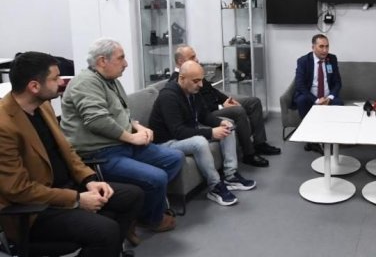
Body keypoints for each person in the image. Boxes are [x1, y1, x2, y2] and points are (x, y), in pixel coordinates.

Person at [0, 52, 144, 257]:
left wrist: (89, 180)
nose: (61, 82)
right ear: (34, 86)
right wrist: (76, 200)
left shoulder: (43, 106)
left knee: (133, 196)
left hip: (68, 188)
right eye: (55, 78)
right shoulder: (4, 125)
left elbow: (67, 150)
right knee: (106, 231)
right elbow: (19, 190)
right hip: (36, 210)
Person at [60, 38, 184, 234]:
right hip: (100, 153)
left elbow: (121, 114)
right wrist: (132, 137)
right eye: (121, 58)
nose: (125, 63)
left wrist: (137, 126)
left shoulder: (111, 81)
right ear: (102, 61)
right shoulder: (85, 83)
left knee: (174, 158)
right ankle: (150, 219)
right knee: (157, 177)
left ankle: (138, 209)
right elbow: (97, 121)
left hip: (121, 145)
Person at [150, 60, 256, 207]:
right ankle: (215, 186)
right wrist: (211, 132)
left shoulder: (192, 91)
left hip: (183, 136)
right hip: (166, 142)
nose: (200, 85)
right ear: (182, 78)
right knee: (200, 142)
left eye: (201, 80)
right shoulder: (168, 97)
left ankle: (231, 176)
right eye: (196, 81)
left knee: (228, 127)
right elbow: (178, 131)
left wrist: (219, 123)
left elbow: (203, 115)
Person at [171, 45, 278, 168]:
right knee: (238, 111)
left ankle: (260, 143)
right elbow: (198, 106)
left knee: (254, 102)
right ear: (181, 61)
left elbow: (212, 91)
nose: (197, 59)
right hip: (209, 112)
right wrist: (222, 106)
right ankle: (249, 154)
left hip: (217, 105)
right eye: (192, 57)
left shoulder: (193, 71)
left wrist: (227, 100)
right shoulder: (180, 80)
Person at [293, 34, 343, 153]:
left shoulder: (332, 59)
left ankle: (330, 138)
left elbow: (337, 82)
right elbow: (299, 85)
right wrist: (316, 100)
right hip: (310, 97)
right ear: (313, 47)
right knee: (301, 100)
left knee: (338, 103)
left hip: (327, 97)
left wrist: (330, 97)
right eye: (321, 46)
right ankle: (312, 141)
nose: (325, 50)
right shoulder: (303, 61)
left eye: (327, 46)